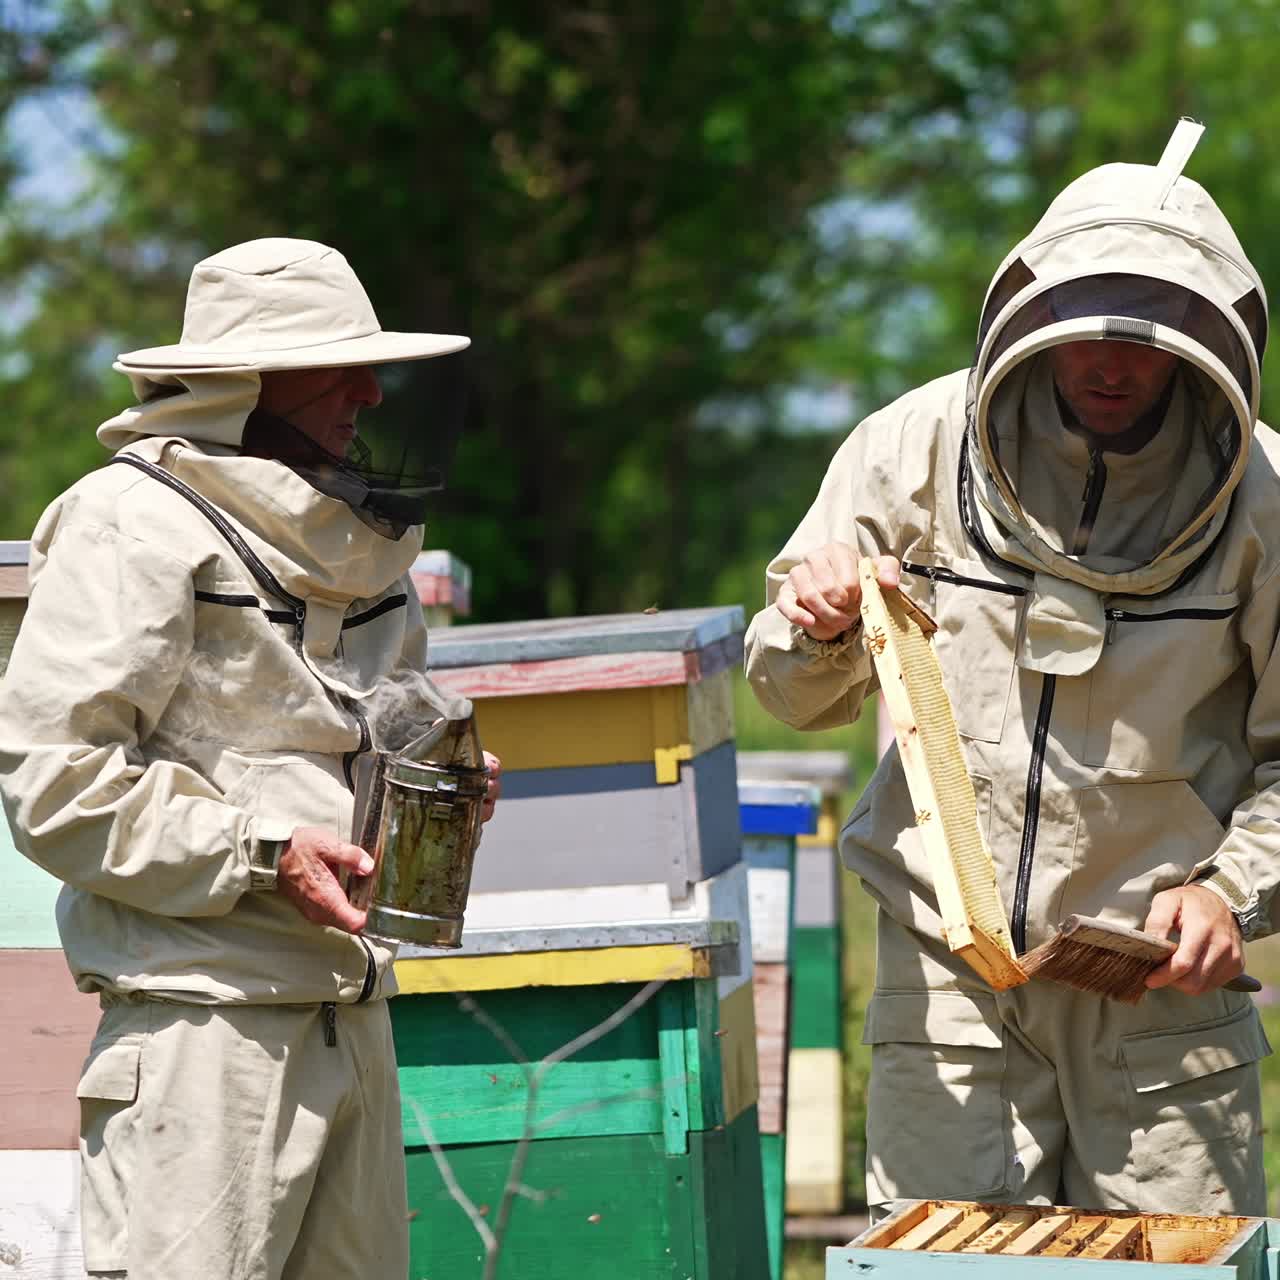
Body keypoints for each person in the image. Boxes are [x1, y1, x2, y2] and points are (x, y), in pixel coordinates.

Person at [745, 120, 1278, 1216]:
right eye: (1085, 329)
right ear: (1028, 310)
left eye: (1150, 333)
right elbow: (788, 695)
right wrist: (821, 621)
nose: (1109, 363)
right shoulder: (911, 447)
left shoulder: (1265, 500)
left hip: (1157, 988)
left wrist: (1229, 892)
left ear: (1206, 331)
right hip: (948, 979)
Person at [0, 237, 500, 1278]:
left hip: (350, 1014)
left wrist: (442, 778)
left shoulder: (358, 535)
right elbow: (55, 782)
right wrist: (267, 852)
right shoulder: (127, 521)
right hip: (201, 1036)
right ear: (242, 383)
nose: (368, 390)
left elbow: (384, 713)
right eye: (335, 363)